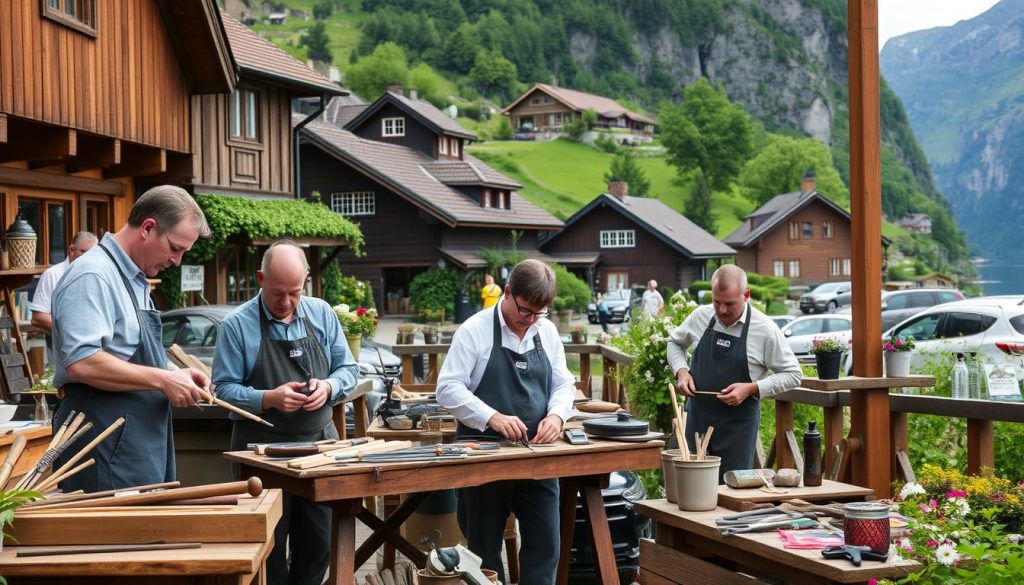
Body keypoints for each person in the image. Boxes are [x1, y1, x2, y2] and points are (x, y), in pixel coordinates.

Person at [212, 240, 359, 585]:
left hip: (320, 450)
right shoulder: (236, 326)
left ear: (305, 281)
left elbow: (349, 371)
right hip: (261, 457)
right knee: (269, 551)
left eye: (295, 292)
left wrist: (329, 387)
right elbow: (223, 390)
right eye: (278, 293)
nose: (287, 302)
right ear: (260, 278)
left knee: (319, 545)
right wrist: (268, 398)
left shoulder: (321, 313)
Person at [50, 185, 212, 493]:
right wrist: (163, 380)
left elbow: (128, 353)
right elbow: (83, 363)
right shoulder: (93, 275)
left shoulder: (135, 278)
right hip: (102, 442)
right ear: (148, 228)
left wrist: (174, 374)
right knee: (112, 540)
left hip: (137, 440)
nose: (177, 261)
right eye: (175, 248)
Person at [437, 259, 575, 585]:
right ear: (508, 292)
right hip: (483, 456)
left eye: (538, 314)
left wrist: (556, 414)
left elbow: (564, 384)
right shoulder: (474, 330)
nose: (530, 321)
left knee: (545, 547)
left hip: (536, 458)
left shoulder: (547, 330)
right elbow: (447, 389)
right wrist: (492, 417)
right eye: (525, 311)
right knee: (483, 556)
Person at [667, 265, 801, 482]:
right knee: (691, 487)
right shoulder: (701, 316)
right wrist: (682, 371)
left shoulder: (765, 329)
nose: (721, 310)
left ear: (746, 295)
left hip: (737, 427)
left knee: (732, 492)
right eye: (716, 302)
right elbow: (674, 342)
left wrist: (752, 388)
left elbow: (793, 374)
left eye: (729, 304)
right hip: (697, 420)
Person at [30, 231, 98, 334]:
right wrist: (73, 333)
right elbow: (38, 317)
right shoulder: (53, 275)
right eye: (84, 252)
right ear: (71, 250)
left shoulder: (98, 276)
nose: (90, 258)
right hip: (62, 347)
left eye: (93, 254)